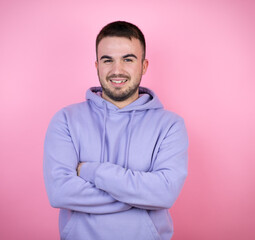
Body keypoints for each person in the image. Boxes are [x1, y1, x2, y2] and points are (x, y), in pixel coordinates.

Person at [43, 21, 188, 240]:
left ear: (144, 65)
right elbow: (60, 192)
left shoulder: (170, 125)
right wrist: (139, 195)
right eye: (107, 60)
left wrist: (92, 171)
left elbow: (164, 194)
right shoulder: (65, 120)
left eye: (128, 59)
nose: (117, 70)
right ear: (97, 65)